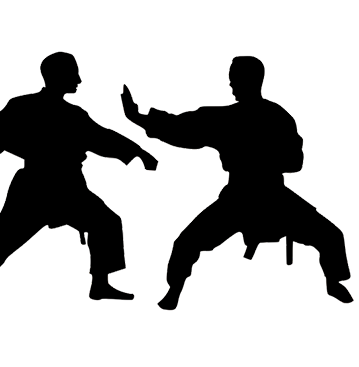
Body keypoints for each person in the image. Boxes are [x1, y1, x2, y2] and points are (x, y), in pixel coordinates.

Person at [120, 54, 353, 311]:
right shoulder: (254, 116)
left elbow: (294, 160)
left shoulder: (249, 117)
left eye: (237, 79)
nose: (235, 84)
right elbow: (180, 129)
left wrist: (140, 118)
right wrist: (141, 117)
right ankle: (174, 291)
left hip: (261, 194)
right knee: (187, 242)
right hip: (253, 194)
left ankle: (334, 282)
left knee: (330, 235)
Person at [0, 51, 158, 314]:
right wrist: (27, 151)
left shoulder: (68, 113)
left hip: (64, 185)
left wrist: (137, 153)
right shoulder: (30, 107)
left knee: (105, 223)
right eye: (73, 74)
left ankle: (100, 284)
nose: (78, 79)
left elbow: (102, 138)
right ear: (60, 77)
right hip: (39, 186)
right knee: (1, 242)